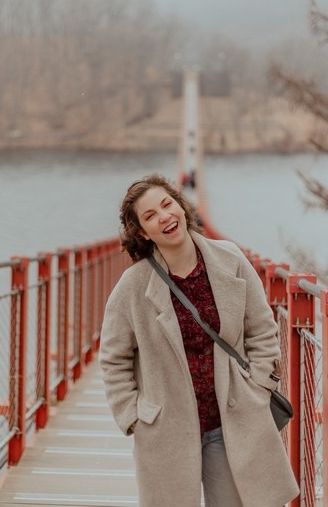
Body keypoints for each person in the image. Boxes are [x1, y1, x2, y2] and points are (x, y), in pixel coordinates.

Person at [99, 173, 299, 507]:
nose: (164, 216)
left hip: (230, 419)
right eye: (150, 216)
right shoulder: (132, 286)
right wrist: (134, 414)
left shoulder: (230, 260)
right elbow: (113, 357)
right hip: (167, 428)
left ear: (180, 205)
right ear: (141, 232)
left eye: (167, 204)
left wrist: (260, 386)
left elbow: (262, 329)